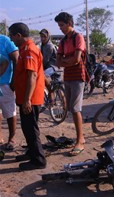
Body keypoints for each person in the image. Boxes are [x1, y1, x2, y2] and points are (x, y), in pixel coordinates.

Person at [8, 22, 47, 170]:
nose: (11, 39)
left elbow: (32, 76)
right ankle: (32, 153)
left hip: (30, 98)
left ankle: (39, 160)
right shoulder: (24, 49)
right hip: (26, 97)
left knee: (31, 129)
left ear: (18, 35)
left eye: (12, 35)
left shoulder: (30, 50)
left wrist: (27, 100)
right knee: (27, 127)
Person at [54, 12, 86, 156]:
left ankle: (80, 140)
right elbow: (58, 62)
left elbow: (77, 60)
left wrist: (66, 60)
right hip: (68, 76)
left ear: (69, 23)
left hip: (78, 76)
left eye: (62, 25)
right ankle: (81, 138)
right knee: (71, 108)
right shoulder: (63, 41)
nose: (60, 28)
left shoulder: (78, 37)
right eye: (59, 25)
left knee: (75, 108)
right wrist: (69, 60)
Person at [0, 34, 18, 151]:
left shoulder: (4, 40)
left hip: (5, 83)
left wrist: (14, 82)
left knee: (10, 112)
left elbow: (15, 58)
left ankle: (12, 138)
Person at [39, 28, 57, 102]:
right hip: (48, 66)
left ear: (48, 37)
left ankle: (51, 92)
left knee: (43, 76)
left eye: (44, 36)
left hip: (54, 66)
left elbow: (45, 60)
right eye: (41, 36)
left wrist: (40, 68)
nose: (42, 38)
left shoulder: (49, 46)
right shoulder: (42, 45)